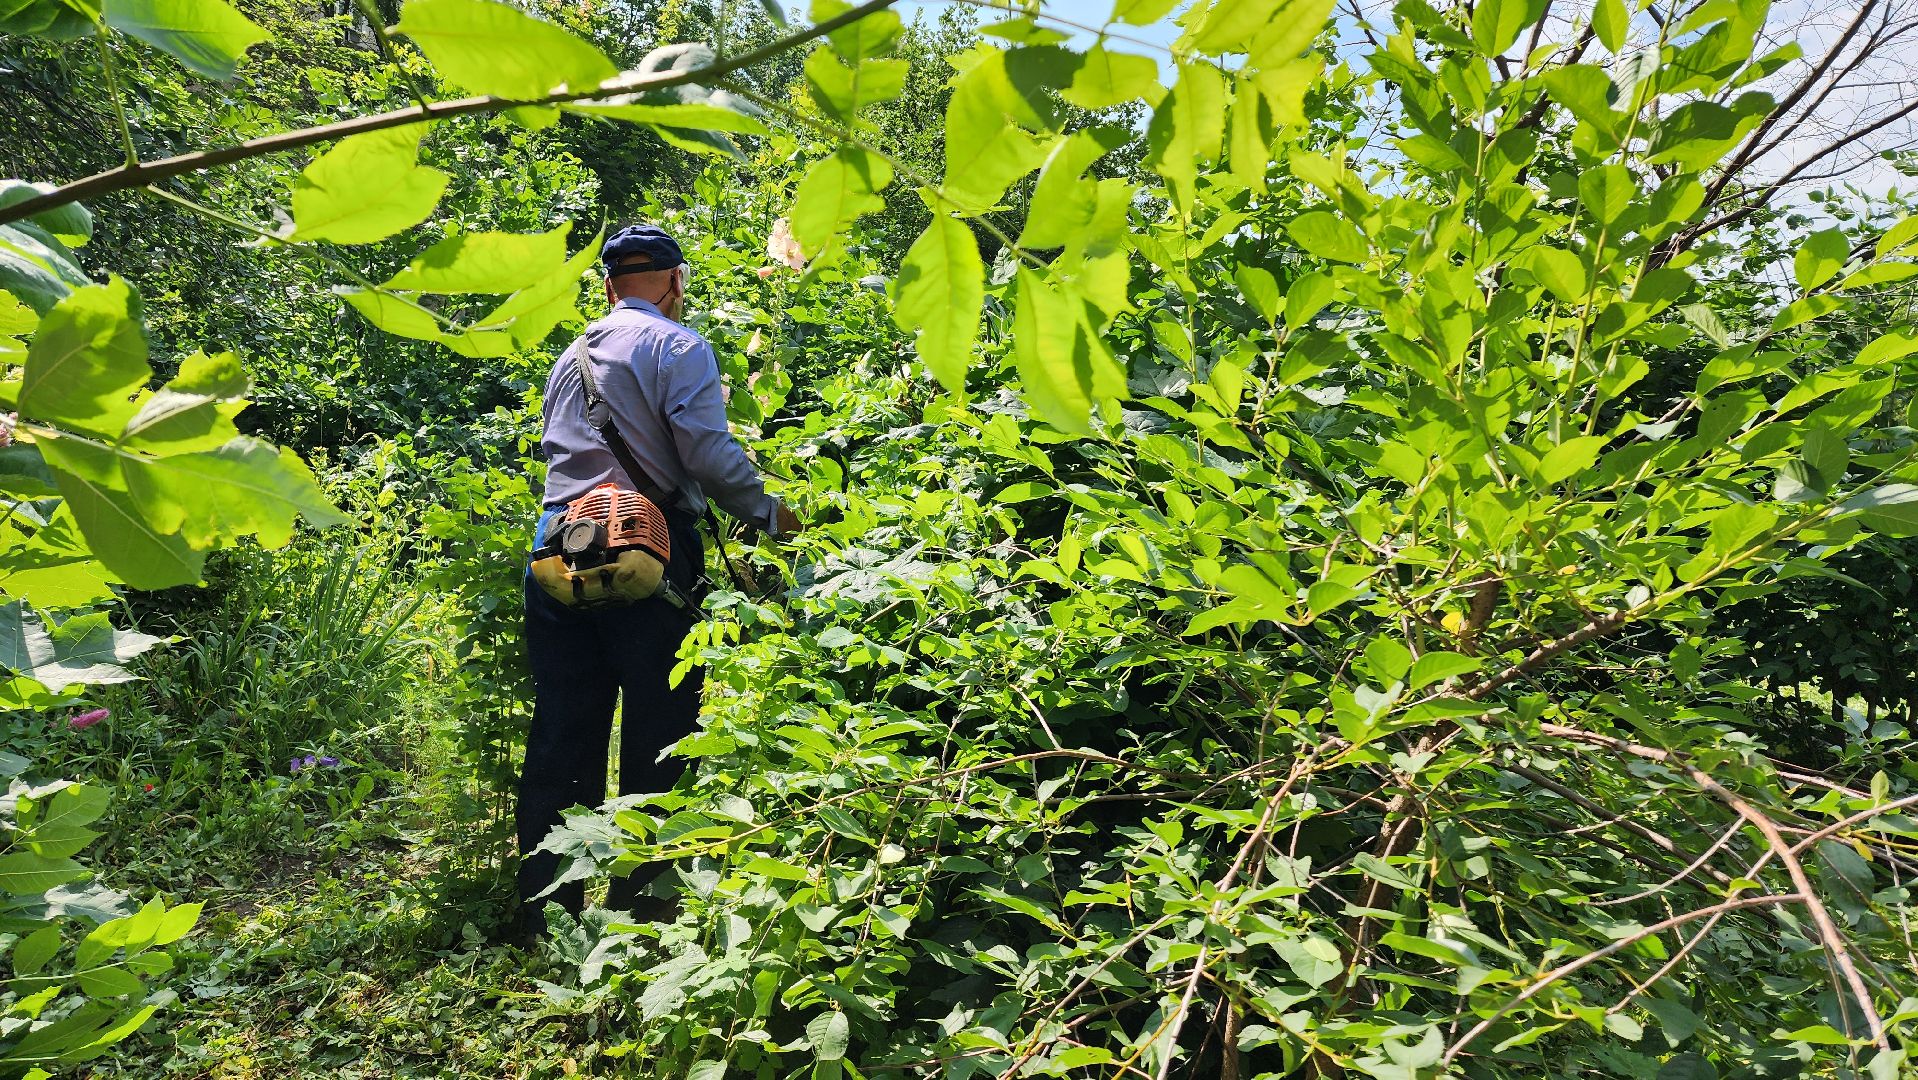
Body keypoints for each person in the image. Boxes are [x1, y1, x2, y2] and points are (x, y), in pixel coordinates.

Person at [515, 223, 801, 935]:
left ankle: (545, 912)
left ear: (609, 285)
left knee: (561, 730)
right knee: (660, 733)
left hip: (558, 553)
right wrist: (769, 512)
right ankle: (644, 911)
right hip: (651, 551)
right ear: (675, 284)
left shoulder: (568, 357)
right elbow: (704, 452)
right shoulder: (680, 345)